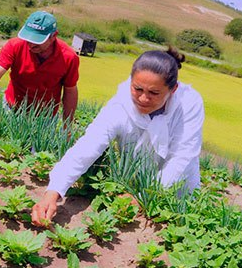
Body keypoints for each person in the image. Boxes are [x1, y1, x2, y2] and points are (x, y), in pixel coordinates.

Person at [31, 47, 204, 226]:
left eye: (154, 93)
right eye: (137, 89)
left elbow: (181, 158)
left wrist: (145, 196)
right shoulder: (121, 104)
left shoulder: (189, 104)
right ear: (131, 81)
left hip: (178, 188)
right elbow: (88, 146)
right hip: (135, 184)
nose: (143, 99)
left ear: (173, 89)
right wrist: (53, 192)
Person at [0, 11, 80, 121]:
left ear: (53, 36)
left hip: (44, 118)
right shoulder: (14, 45)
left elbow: (70, 90)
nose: (31, 44)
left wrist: (67, 125)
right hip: (12, 108)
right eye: (29, 38)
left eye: (37, 40)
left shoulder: (69, 57)